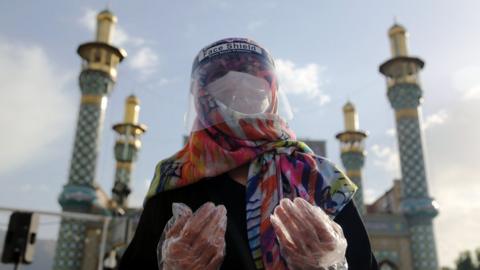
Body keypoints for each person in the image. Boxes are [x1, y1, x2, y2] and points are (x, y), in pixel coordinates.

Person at [119, 38, 378, 270]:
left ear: (273, 98)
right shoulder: (176, 182)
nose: (241, 107)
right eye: (225, 95)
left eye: (254, 94)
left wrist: (330, 265)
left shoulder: (318, 179)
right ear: (201, 101)